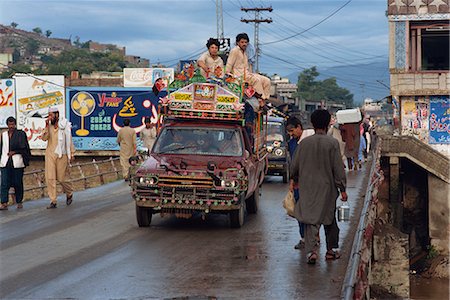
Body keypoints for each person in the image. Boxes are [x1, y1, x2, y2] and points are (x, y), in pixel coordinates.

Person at [290, 109, 347, 264]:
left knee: (310, 220)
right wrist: (342, 189)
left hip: (307, 188)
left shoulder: (304, 144)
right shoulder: (333, 143)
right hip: (328, 189)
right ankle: (330, 251)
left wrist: (295, 180)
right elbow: (338, 169)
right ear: (328, 124)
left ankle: (312, 252)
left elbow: (294, 166)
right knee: (329, 220)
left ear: (313, 124)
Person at [286, 117, 315, 249]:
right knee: (299, 211)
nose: (291, 134)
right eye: (289, 132)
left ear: (299, 127)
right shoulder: (292, 143)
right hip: (298, 183)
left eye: (292, 131)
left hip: (311, 182)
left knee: (311, 210)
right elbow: (293, 164)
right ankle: (303, 238)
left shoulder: (310, 140)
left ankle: (314, 236)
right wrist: (292, 182)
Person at [41, 107, 75, 209]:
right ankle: (53, 200)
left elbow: (69, 140)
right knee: (50, 178)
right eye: (49, 115)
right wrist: (46, 126)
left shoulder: (64, 125)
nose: (50, 117)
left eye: (51, 115)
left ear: (57, 114)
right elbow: (44, 138)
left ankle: (69, 193)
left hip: (62, 154)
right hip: (50, 154)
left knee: (62, 178)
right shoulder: (49, 126)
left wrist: (72, 153)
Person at [225, 33, 271, 102]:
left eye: (246, 42)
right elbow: (229, 64)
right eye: (242, 42)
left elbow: (247, 67)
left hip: (247, 74)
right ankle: (261, 100)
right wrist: (228, 75)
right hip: (239, 76)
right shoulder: (235, 51)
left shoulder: (245, 52)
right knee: (256, 80)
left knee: (267, 80)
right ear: (237, 43)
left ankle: (266, 99)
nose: (244, 44)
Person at [0, 117, 31, 210]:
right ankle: (4, 202)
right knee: (4, 183)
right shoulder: (4, 135)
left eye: (12, 124)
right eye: (9, 125)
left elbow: (24, 148)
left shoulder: (20, 134)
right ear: (7, 125)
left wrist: (15, 152)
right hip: (5, 162)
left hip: (17, 162)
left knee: (17, 183)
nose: (11, 126)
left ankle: (19, 201)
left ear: (15, 124)